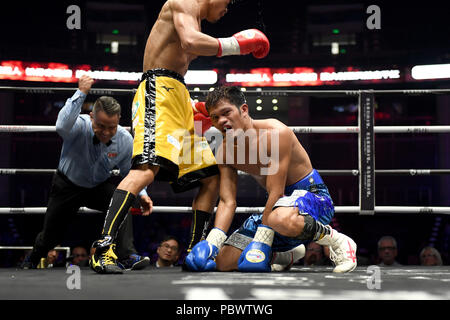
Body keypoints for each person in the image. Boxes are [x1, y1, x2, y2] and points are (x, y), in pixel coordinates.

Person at [90, 0, 270, 274]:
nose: (227, 9)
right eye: (228, 2)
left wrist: (191, 107)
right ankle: (103, 248)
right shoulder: (182, 2)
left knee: (210, 177)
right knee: (147, 170)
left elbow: (180, 61)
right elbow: (189, 42)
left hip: (177, 95)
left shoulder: (195, 18)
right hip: (158, 93)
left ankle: (195, 252)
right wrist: (238, 44)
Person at [185, 86, 358, 273]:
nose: (222, 121)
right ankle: (285, 254)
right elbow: (228, 201)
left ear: (243, 109)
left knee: (278, 218)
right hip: (275, 210)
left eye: (226, 112)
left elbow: (277, 191)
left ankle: (339, 241)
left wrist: (263, 238)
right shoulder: (224, 150)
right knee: (223, 262)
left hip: (313, 201)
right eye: (215, 117)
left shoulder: (275, 133)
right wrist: (213, 241)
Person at [21, 75, 151, 272]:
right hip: (67, 185)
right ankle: (33, 257)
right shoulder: (78, 125)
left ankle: (127, 255)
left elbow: (131, 172)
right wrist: (81, 92)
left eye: (111, 127)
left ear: (118, 121)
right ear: (91, 117)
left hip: (97, 187)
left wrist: (142, 194)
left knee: (122, 199)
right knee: (51, 235)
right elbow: (61, 126)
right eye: (100, 126)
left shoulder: (124, 139)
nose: (106, 132)